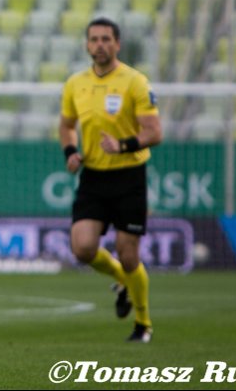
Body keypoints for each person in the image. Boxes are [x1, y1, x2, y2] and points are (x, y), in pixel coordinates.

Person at [59, 17, 163, 344]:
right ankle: (123, 281)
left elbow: (154, 132)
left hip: (129, 176)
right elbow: (66, 126)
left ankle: (143, 324)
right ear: (87, 45)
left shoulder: (135, 82)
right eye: (94, 39)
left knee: (128, 254)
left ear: (117, 44)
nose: (100, 45)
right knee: (83, 248)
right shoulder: (75, 84)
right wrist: (71, 152)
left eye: (106, 39)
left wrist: (122, 145)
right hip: (93, 177)